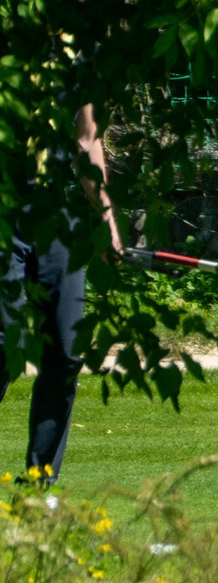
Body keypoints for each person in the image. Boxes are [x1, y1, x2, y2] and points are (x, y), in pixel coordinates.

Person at [5, 103, 124, 481]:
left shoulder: (78, 68)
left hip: (57, 214)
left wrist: (106, 219)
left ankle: (40, 483)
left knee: (67, 349)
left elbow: (87, 140)